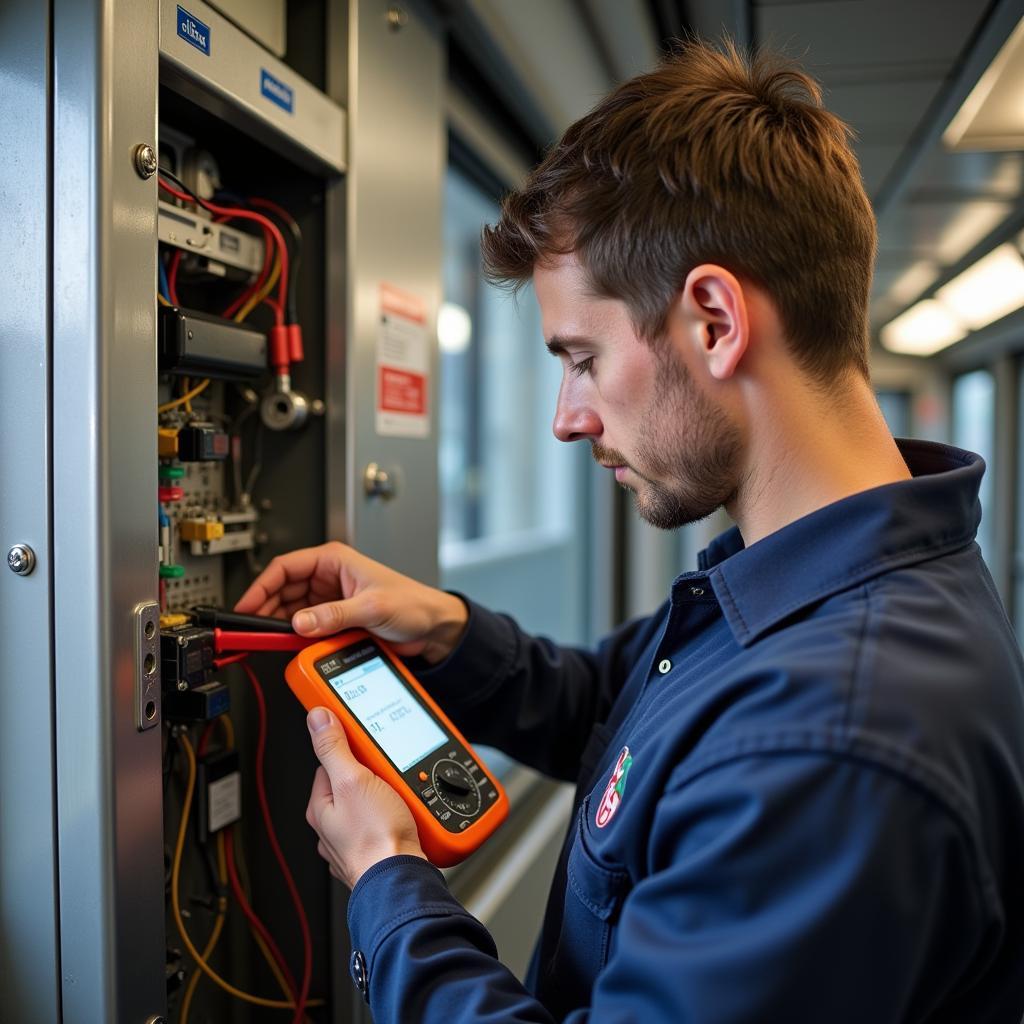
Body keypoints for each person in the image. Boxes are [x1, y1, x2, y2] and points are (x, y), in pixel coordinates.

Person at [235, 38, 1024, 1023]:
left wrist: (391, 883)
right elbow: (627, 715)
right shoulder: (801, 581)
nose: (566, 416)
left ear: (712, 321)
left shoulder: (832, 741)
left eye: (580, 357)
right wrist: (446, 630)